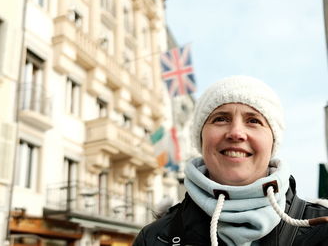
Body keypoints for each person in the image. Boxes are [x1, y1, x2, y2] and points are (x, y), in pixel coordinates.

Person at [133, 75, 328, 246]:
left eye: (253, 120)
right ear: (201, 138)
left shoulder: (322, 227)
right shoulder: (155, 238)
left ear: (273, 141)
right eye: (220, 119)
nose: (236, 133)